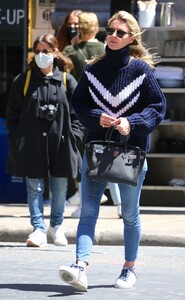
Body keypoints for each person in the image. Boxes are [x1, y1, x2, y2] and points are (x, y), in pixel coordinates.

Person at [59, 10, 166, 291]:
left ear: (131, 38)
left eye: (121, 32)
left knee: (130, 214)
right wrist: (97, 117)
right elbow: (79, 104)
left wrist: (132, 122)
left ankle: (129, 268)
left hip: (131, 154)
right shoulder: (93, 70)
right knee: (89, 210)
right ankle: (80, 266)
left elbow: (158, 108)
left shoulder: (141, 72)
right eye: (111, 30)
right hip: (96, 151)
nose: (114, 36)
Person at [6, 33, 84, 247]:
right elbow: (12, 113)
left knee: (60, 189)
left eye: (46, 51)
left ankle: (56, 226)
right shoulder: (24, 80)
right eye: (38, 51)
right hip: (32, 143)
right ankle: (38, 228)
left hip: (61, 143)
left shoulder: (67, 80)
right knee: (35, 188)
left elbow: (79, 114)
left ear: (55, 52)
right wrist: (16, 139)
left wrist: (74, 137)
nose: (42, 55)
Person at [62, 11, 108, 218]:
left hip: (78, 109)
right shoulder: (105, 49)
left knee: (82, 154)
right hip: (103, 109)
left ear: (79, 28)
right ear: (96, 28)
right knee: (102, 152)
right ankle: (102, 193)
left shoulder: (70, 50)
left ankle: (84, 199)